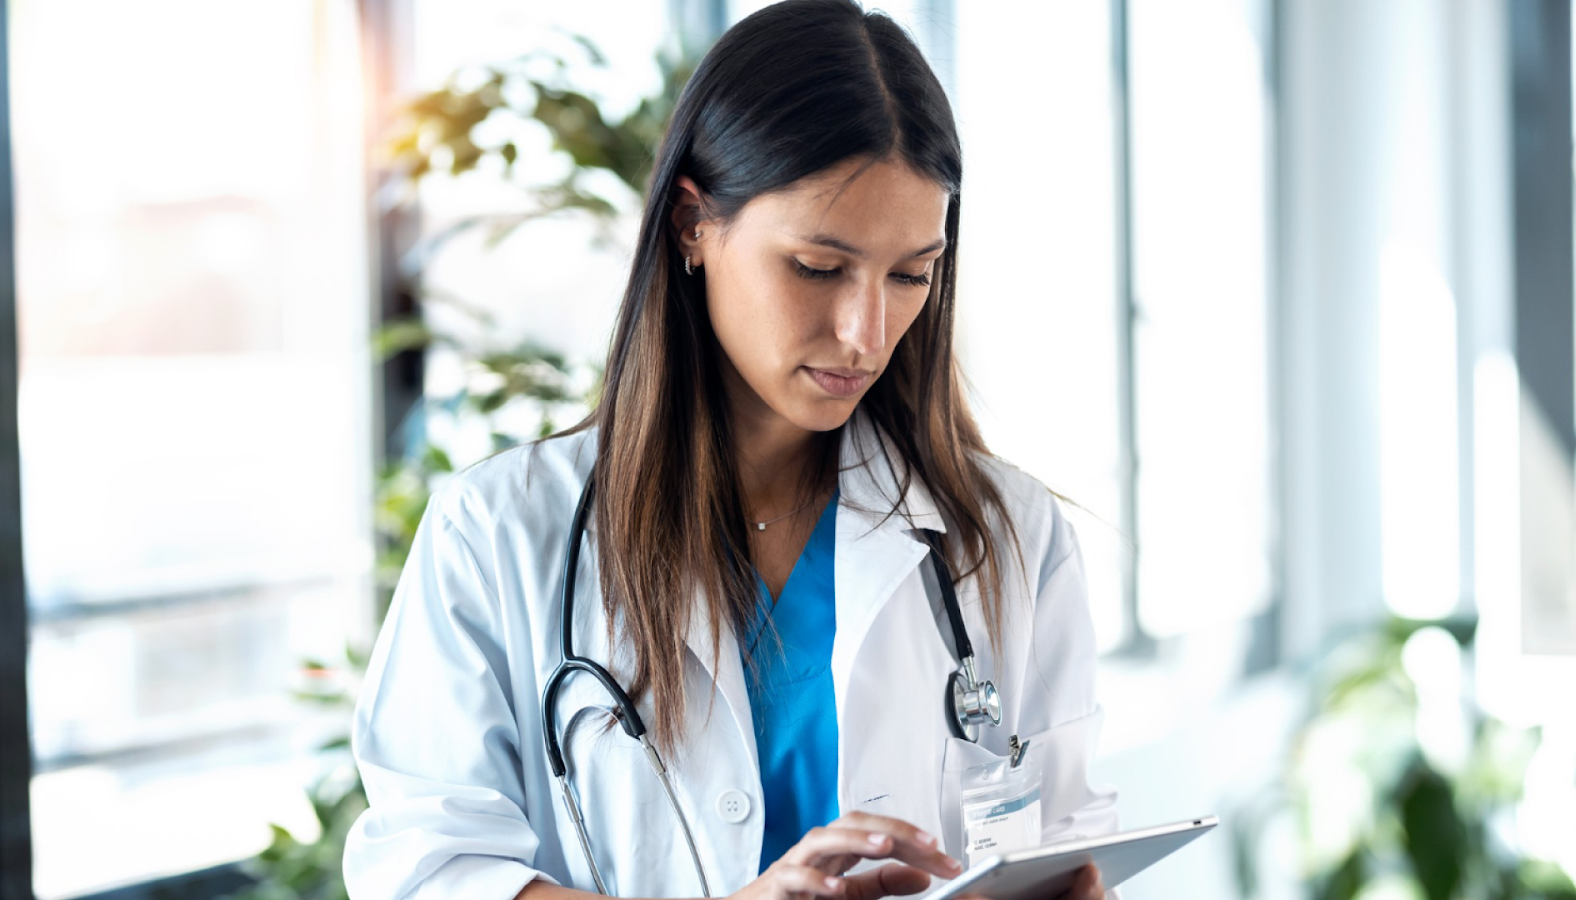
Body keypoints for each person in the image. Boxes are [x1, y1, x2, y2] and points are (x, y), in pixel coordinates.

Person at [342, 2, 1119, 900]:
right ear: (691, 226)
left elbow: (1068, 844)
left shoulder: (1008, 538)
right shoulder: (496, 534)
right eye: (818, 269)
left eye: (911, 274)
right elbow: (428, 875)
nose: (867, 332)